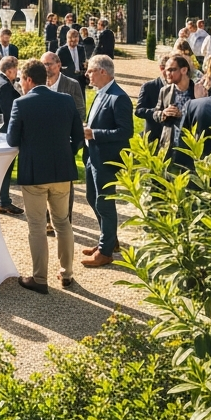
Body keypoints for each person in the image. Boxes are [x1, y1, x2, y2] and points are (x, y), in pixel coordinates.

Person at [5, 58, 84, 293]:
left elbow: (11, 140)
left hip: (34, 174)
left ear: (29, 80)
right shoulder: (66, 101)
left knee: (37, 225)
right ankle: (67, 273)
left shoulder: (21, 103)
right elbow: (78, 137)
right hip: (62, 172)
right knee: (63, 222)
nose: (20, 83)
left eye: (21, 79)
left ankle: (40, 278)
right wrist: (65, 154)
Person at [81, 55, 134, 268]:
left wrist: (94, 133)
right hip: (93, 155)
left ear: (103, 71)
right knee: (92, 198)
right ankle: (109, 240)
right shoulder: (101, 93)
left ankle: (105, 251)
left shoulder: (119, 97)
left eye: (91, 70)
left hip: (106, 158)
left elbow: (125, 131)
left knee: (104, 203)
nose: (87, 74)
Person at [0, 55, 23, 215]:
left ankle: (0, 200)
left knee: (0, 169)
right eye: (16, 69)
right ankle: (4, 201)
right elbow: (11, 112)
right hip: (5, 131)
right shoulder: (5, 86)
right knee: (6, 168)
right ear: (10, 70)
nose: (18, 72)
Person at [151, 54, 197, 167]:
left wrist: (182, 115)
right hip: (169, 145)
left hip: (191, 146)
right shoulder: (165, 91)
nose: (168, 73)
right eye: (166, 70)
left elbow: (202, 117)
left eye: (172, 69)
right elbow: (155, 113)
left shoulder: (197, 90)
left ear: (184, 70)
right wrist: (164, 113)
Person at [135, 55, 171, 146]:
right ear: (161, 68)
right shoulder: (149, 86)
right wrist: (158, 113)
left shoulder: (179, 86)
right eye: (169, 69)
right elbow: (139, 111)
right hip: (153, 135)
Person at [58, 28, 87, 93]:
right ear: (67, 38)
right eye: (71, 40)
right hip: (68, 78)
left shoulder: (81, 49)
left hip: (80, 78)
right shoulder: (61, 51)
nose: (73, 41)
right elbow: (57, 66)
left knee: (80, 99)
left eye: (75, 40)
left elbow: (83, 62)